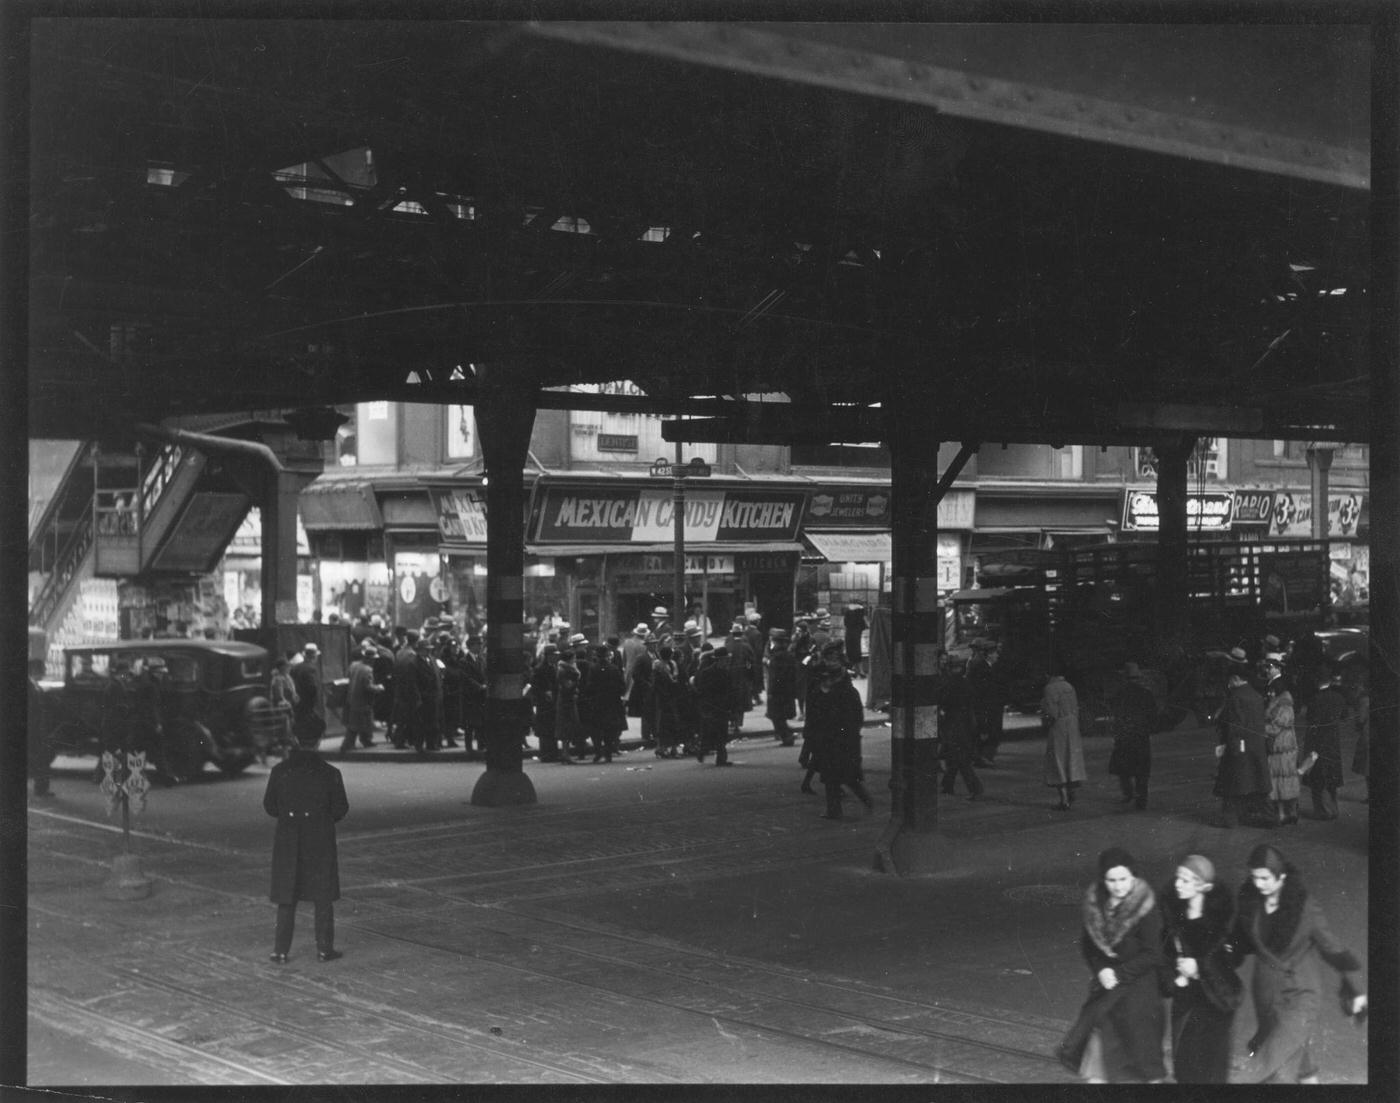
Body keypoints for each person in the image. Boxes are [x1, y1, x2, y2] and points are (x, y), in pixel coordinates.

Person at [1230, 844, 1367, 1084]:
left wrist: (1355, 989)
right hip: (1265, 993)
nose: (1258, 884)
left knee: (1276, 1065)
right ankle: (1309, 1079)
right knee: (1292, 1053)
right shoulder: (1249, 903)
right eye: (1254, 877)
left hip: (1300, 994)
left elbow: (1331, 946)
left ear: (1281, 876)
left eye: (1264, 878)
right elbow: (1240, 942)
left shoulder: (1304, 906)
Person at [1057, 847, 1167, 1084]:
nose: (1118, 886)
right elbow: (1088, 946)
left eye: (1123, 879)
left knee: (1139, 1056)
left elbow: (1153, 954)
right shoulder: (1095, 904)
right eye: (1111, 880)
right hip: (1108, 987)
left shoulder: (1145, 907)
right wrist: (1101, 970)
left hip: (1139, 988)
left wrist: (1118, 973)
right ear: (1103, 879)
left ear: (1133, 877)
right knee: (1100, 1043)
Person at [263, 720, 350, 964]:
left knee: (286, 895)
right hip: (319, 839)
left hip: (289, 839)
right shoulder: (330, 773)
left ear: (294, 738)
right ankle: (324, 949)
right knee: (323, 895)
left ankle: (280, 951)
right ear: (320, 738)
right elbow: (341, 809)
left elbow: (270, 806)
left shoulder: (280, 772)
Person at [1160, 854, 1240, 1084]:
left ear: (1204, 887)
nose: (1178, 885)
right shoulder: (1174, 919)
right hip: (1185, 1001)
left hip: (1214, 1003)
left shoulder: (1220, 925)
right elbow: (1164, 956)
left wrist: (1199, 968)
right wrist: (1175, 979)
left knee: (1209, 1069)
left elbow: (1231, 963)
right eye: (1178, 878)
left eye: (1186, 881)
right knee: (1184, 1067)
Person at [807, 641, 873, 820]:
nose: (826, 681)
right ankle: (834, 809)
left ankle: (866, 803)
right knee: (832, 778)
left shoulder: (846, 693)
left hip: (842, 741)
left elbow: (856, 719)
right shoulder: (820, 692)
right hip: (829, 741)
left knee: (847, 778)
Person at [1214, 648, 1271, 828]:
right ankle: (1261, 816)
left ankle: (1229, 819)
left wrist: (1227, 747)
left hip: (1239, 747)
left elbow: (1234, 727)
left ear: (1236, 679)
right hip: (1256, 746)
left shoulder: (1235, 697)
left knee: (1231, 785)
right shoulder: (1255, 695)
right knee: (1254, 783)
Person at [1300, 665, 1346, 821]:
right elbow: (1344, 716)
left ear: (1316, 680)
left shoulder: (1315, 699)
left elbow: (1312, 721)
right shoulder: (1338, 697)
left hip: (1318, 741)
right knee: (1332, 778)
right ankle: (1333, 809)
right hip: (1333, 742)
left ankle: (1323, 811)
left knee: (1318, 778)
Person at [1108, 663, 1156, 810]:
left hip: (1125, 736)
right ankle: (1141, 800)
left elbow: (1115, 714)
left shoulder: (1120, 694)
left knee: (1124, 768)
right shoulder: (1146, 694)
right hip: (1141, 736)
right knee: (1142, 770)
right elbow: (1152, 716)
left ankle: (1128, 793)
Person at [1260, 654, 1301, 826]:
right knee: (1286, 778)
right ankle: (1289, 813)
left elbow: (1278, 722)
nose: (1267, 670)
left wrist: (1260, 729)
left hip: (1280, 743)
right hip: (1284, 743)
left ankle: (1283, 814)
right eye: (1266, 667)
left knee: (1279, 779)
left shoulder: (1281, 693)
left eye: (1270, 667)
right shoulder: (1278, 690)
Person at [937, 656, 983, 801]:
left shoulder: (949, 683)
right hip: (965, 723)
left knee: (958, 758)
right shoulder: (965, 683)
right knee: (955, 756)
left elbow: (943, 701)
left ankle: (974, 788)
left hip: (953, 723)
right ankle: (947, 784)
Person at [1041, 666, 1085, 811]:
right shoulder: (1069, 686)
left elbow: (1052, 713)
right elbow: (1076, 707)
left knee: (1058, 760)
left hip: (1059, 725)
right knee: (1072, 757)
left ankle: (1064, 799)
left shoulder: (1050, 688)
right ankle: (1072, 790)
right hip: (1072, 723)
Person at [966, 639, 1006, 766]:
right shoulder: (980, 667)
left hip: (991, 705)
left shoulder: (990, 666)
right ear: (989, 654)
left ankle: (984, 757)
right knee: (985, 731)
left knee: (989, 731)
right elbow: (980, 690)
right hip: (985, 705)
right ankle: (982, 758)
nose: (997, 655)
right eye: (995, 653)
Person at [340, 644, 383, 756]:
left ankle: (365, 740)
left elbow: (348, 678)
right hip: (363, 700)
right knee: (357, 723)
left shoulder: (353, 665)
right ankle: (348, 744)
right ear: (370, 658)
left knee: (359, 721)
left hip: (351, 697)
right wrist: (378, 688)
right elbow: (368, 687)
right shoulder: (368, 670)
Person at [692, 646, 733, 765]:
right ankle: (703, 751)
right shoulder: (707, 672)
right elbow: (702, 689)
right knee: (710, 732)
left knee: (722, 733)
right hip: (711, 706)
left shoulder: (726, 673)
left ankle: (721, 758)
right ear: (719, 660)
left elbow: (730, 691)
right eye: (725, 659)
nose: (726, 662)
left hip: (722, 707)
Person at [290, 643, 327, 752]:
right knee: (316, 725)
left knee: (300, 724)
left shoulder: (296, 667)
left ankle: (301, 745)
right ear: (314, 656)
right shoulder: (311, 669)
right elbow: (313, 688)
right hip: (308, 703)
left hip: (297, 702)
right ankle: (310, 748)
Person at [765, 629, 799, 747]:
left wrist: (770, 691)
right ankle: (787, 735)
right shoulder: (788, 655)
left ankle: (787, 736)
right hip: (786, 691)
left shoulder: (777, 657)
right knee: (779, 716)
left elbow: (774, 677)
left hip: (777, 692)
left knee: (776, 716)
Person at [391, 631, 422, 750]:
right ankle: (401, 741)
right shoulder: (412, 655)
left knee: (401, 717)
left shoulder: (400, 652)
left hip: (399, 688)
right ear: (417, 640)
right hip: (408, 689)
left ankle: (401, 740)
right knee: (409, 716)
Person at [28, 659, 53, 798]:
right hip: (33, 730)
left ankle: (42, 788)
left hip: (39, 730)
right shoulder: (28, 686)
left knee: (41, 759)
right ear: (34, 670)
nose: (45, 672)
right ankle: (40, 788)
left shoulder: (35, 685)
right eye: (42, 669)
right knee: (39, 759)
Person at [842, 602, 868, 675]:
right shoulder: (860, 612)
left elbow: (845, 623)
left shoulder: (848, 612)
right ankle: (860, 670)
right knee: (857, 651)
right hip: (857, 634)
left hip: (849, 634)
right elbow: (864, 625)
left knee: (851, 651)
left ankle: (855, 669)